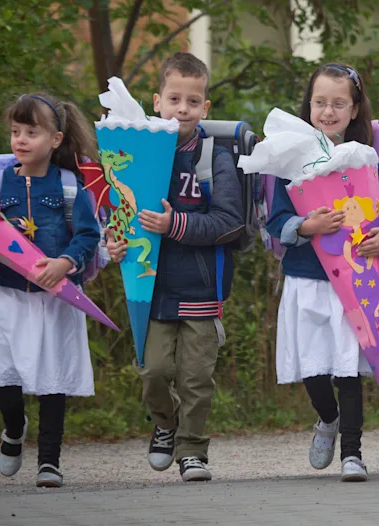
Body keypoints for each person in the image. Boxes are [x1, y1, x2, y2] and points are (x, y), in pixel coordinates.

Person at [105, 52, 244, 482]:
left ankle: (192, 450)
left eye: (193, 101)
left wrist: (175, 224)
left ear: (206, 107)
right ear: (156, 102)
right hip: (151, 286)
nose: (182, 109)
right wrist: (115, 242)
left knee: (196, 379)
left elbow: (230, 222)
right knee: (154, 373)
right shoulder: (139, 152)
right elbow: (121, 212)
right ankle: (165, 425)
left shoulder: (210, 158)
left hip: (201, 288)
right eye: (174, 99)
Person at [266, 63, 379, 482]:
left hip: (355, 277)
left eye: (338, 104)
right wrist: (307, 227)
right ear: (309, 105)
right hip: (306, 279)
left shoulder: (364, 159)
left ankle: (353, 453)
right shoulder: (287, 159)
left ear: (354, 109)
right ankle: (326, 418)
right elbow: (275, 220)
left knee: (348, 366)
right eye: (320, 102)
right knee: (313, 368)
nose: (328, 111)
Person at [0, 92, 102, 488]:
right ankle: (13, 429)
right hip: (6, 298)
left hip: (54, 300)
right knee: (5, 377)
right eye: (15, 131)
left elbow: (88, 235)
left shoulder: (70, 186)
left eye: (31, 132)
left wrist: (66, 262)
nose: (20, 140)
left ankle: (49, 461)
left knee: (52, 379)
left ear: (56, 139)